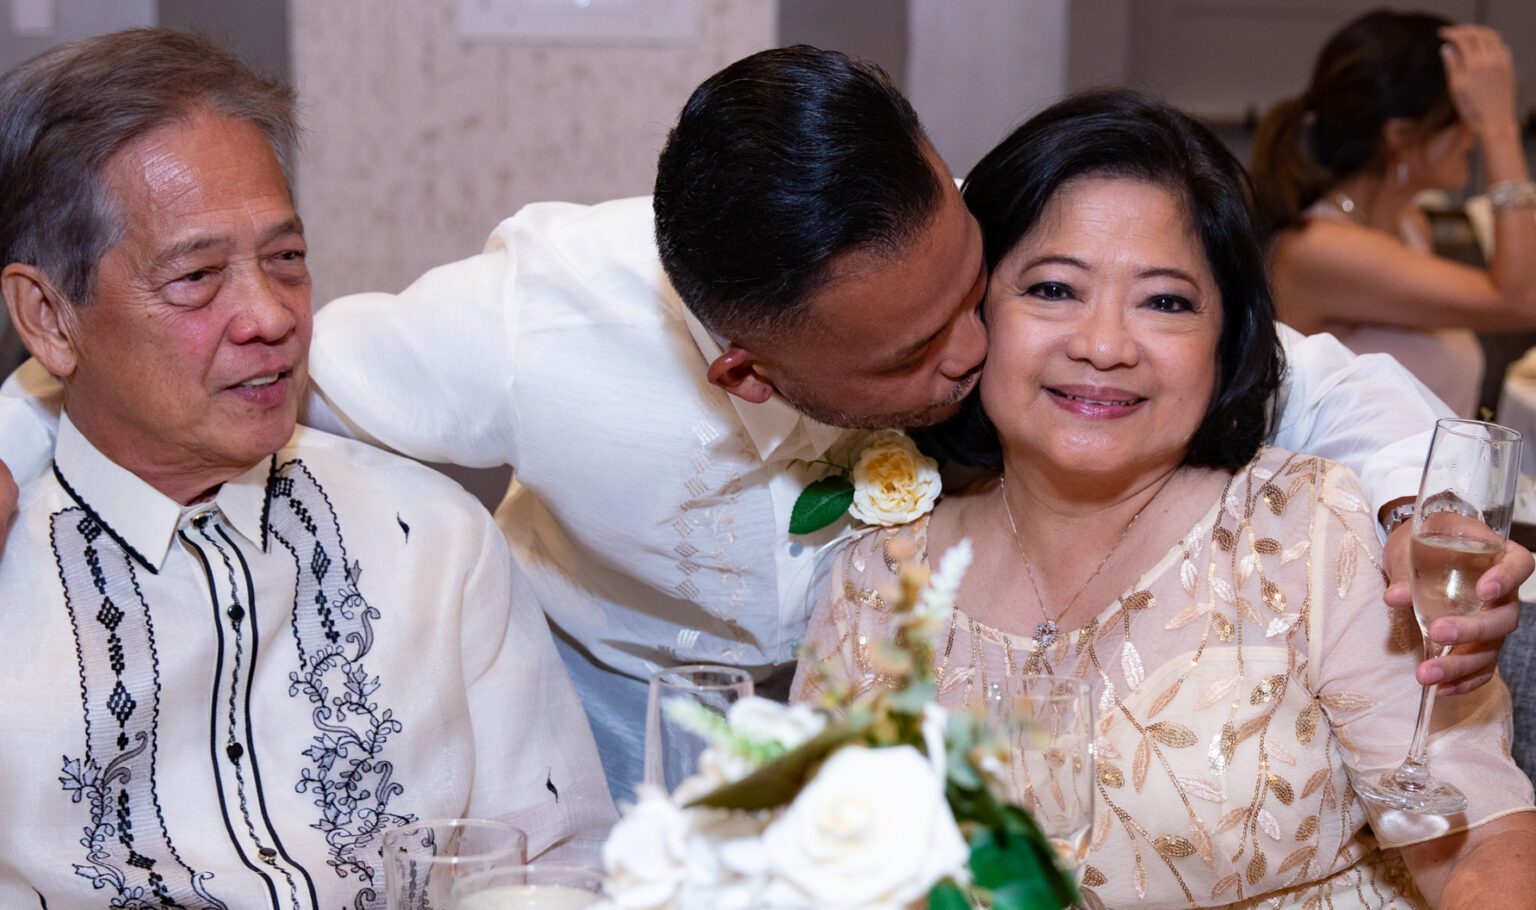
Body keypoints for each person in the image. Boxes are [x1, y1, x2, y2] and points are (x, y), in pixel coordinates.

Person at [0, 46, 1526, 804]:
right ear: (746, 371)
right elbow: (244, 368)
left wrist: (1415, 510)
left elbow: (1306, 375)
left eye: (969, 293)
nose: (978, 348)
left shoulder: (990, 257)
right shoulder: (538, 321)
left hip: (928, 731)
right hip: (605, 734)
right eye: (915, 355)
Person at [795, 89, 1536, 910]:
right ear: (970, 317)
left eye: (1166, 302)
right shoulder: (875, 581)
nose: (1104, 345)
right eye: (1052, 289)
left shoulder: (1309, 536)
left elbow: (1482, 849)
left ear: (1227, 343)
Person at [0, 30, 613, 908]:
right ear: (50, 317)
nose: (270, 316)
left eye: (285, 260)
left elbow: (560, 867)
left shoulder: (432, 542)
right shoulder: (11, 562)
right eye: (198, 276)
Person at [1251, 11, 1536, 418]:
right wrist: (1500, 129)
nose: (1471, 135)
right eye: (1463, 117)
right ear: (1400, 136)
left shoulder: (1407, 225)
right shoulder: (1321, 249)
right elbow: (1521, 299)